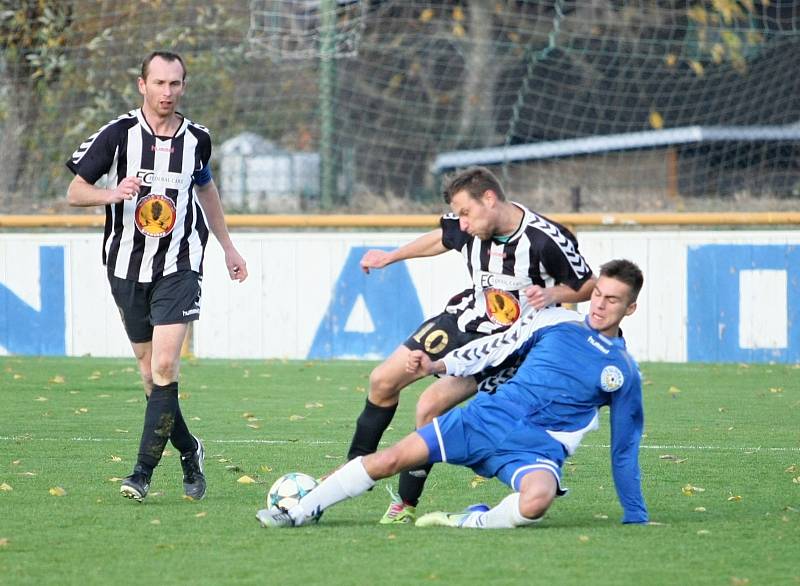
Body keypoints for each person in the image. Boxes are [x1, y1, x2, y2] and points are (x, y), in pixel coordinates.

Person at [257, 259, 647, 529]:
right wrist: (437, 367)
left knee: (537, 500)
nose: (599, 304)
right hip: (485, 419)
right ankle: (300, 512)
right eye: (598, 294)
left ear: (630, 308)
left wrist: (635, 514)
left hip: (536, 450)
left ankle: (471, 520)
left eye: (612, 300)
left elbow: (624, 447)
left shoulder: (624, 372)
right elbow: (493, 348)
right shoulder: (555, 322)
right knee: (392, 457)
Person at [349, 166, 595, 524]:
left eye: (466, 212)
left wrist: (553, 293)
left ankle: (405, 504)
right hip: (464, 318)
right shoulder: (467, 224)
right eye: (458, 214)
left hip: (506, 343)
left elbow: (587, 284)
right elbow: (441, 238)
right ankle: (354, 468)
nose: (461, 223)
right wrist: (391, 256)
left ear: (490, 199)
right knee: (382, 380)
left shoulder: (546, 239)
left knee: (429, 407)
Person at [65, 51, 248, 501]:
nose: (167, 92)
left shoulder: (197, 140)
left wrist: (227, 246)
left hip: (179, 266)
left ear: (184, 86)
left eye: (176, 84)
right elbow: (74, 191)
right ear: (141, 84)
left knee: (166, 365)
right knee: (151, 379)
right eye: (159, 83)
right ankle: (189, 450)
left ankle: (141, 474)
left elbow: (206, 189)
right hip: (126, 267)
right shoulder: (118, 135)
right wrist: (113, 192)